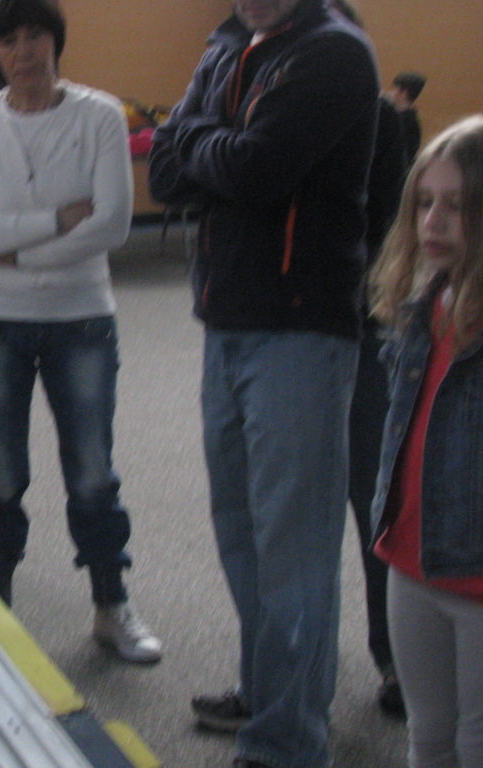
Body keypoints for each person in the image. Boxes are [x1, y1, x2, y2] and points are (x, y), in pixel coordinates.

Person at [148, 1, 378, 766]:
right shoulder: (228, 46)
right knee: (242, 533)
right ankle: (269, 688)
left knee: (295, 547)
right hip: (225, 320)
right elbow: (167, 169)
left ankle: (287, 739)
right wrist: (217, 147)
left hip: (300, 329)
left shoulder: (333, 53)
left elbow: (258, 169)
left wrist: (200, 140)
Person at [0, 0, 161, 664]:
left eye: (36, 35)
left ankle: (110, 605)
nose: (25, 49)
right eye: (9, 40)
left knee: (92, 472)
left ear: (54, 41)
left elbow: (113, 223)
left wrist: (8, 243)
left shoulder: (96, 115)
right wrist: (57, 220)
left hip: (80, 319)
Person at [369, 114, 483, 768]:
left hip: (475, 578)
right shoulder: (421, 309)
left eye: (459, 208)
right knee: (428, 734)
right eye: (424, 203)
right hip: (409, 561)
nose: (434, 222)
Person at [328, 0, 409, 718]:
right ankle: (289, 669)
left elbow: (382, 229)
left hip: (361, 331)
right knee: (285, 509)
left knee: (372, 496)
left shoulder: (384, 122)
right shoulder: (265, 104)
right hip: (279, 332)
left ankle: (394, 658)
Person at [390, 71, 427, 162]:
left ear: (404, 93)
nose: (391, 93)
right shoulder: (411, 120)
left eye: (394, 89)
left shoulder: (401, 122)